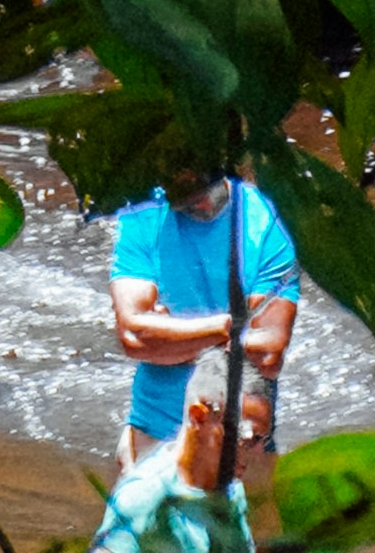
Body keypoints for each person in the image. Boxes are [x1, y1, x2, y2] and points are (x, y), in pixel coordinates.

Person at [104, 155, 299, 551]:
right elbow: (131, 334)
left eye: (207, 195)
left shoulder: (267, 222)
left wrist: (169, 335)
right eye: (187, 203)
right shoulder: (144, 216)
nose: (203, 206)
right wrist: (228, 328)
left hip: (242, 435)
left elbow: (270, 350)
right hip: (155, 426)